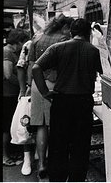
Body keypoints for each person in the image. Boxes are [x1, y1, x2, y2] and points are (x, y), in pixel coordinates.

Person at [32, 18, 103, 182]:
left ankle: (57, 178)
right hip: (83, 103)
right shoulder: (93, 51)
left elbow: (36, 68)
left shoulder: (57, 48)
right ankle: (76, 179)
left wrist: (44, 92)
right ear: (88, 33)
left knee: (58, 144)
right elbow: (104, 73)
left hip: (61, 102)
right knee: (81, 145)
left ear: (71, 32)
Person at [28, 14, 73, 179]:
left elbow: (31, 63)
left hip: (36, 84)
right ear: (65, 27)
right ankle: (56, 164)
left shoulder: (38, 37)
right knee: (56, 125)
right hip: (54, 84)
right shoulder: (63, 39)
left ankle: (41, 164)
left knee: (41, 125)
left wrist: (28, 85)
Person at [3, 28, 30, 166]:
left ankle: (10, 153)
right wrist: (23, 84)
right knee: (7, 126)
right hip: (7, 94)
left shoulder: (11, 52)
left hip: (10, 93)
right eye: (23, 42)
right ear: (18, 41)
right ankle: (5, 156)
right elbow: (8, 74)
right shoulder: (7, 52)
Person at [16, 39, 36, 176]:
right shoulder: (29, 45)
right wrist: (23, 90)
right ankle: (27, 157)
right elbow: (20, 66)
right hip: (31, 89)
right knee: (26, 123)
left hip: (45, 88)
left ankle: (38, 154)